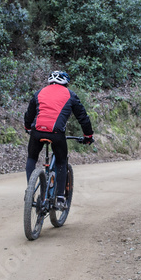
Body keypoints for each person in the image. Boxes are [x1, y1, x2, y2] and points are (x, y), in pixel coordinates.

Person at [24, 70, 94, 209]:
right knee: (61, 161)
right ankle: (61, 198)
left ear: (50, 81)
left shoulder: (39, 93)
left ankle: (29, 190)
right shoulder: (70, 95)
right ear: (66, 83)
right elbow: (83, 118)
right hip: (56, 134)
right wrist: (88, 136)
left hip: (37, 132)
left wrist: (28, 127)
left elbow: (29, 114)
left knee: (32, 158)